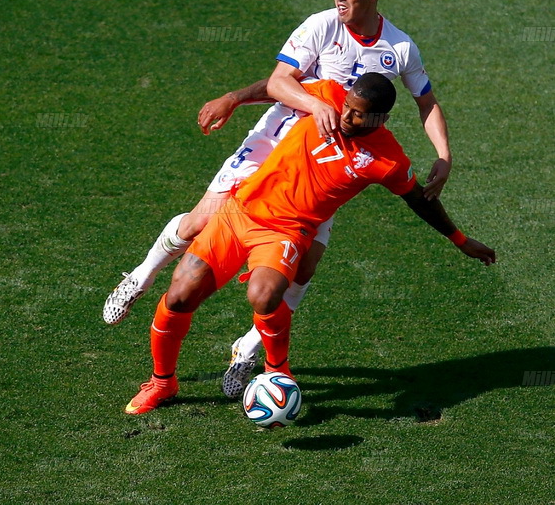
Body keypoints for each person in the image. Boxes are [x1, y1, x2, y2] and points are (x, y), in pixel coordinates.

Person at [104, 0, 452, 392]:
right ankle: (142, 275)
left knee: (304, 266)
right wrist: (308, 104)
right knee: (199, 223)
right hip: (276, 139)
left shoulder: (399, 48)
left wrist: (443, 154)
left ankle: (248, 347)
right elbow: (278, 82)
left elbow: (426, 101)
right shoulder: (321, 26)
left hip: (324, 164)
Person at [122, 73, 495, 415]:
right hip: (239, 210)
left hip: (286, 231)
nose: (346, 118)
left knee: (264, 295)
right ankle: (162, 383)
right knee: (180, 293)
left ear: (380, 120)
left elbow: (418, 199)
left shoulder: (388, 160)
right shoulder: (328, 95)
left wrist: (461, 240)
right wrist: (244, 98)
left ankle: (277, 372)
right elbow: (275, 85)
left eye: (358, 116)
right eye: (347, 108)